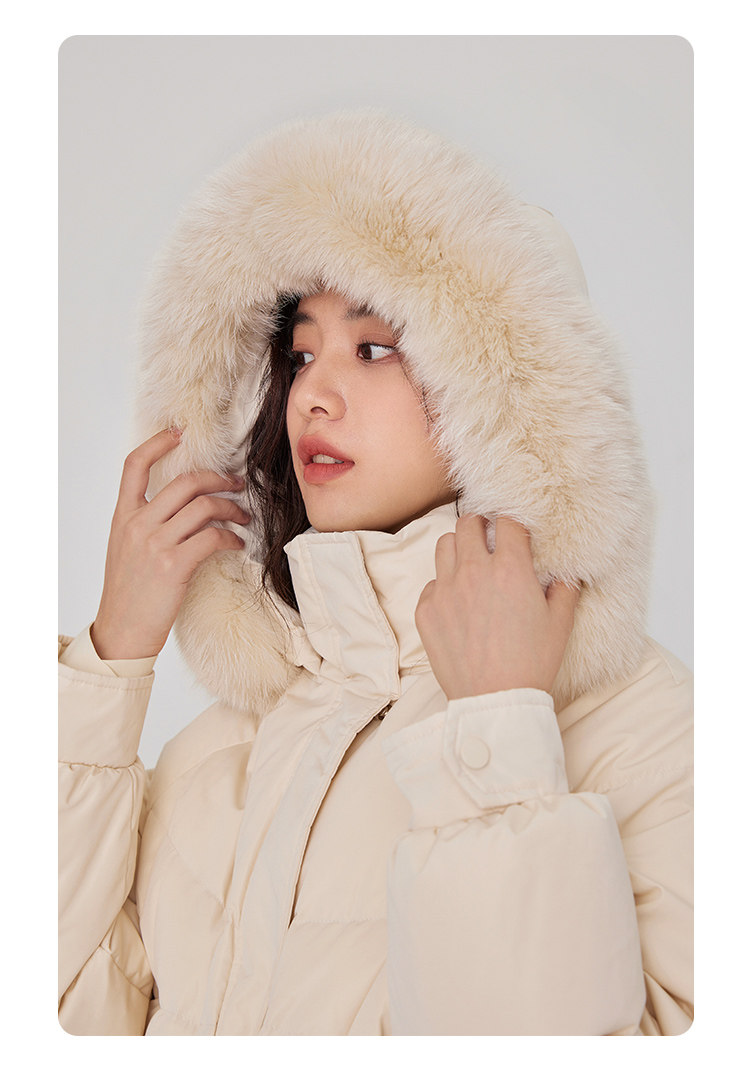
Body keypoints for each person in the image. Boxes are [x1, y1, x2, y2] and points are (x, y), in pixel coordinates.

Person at [58, 110, 693, 1036]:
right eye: (300, 353)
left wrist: (499, 739)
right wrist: (111, 660)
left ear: (501, 393)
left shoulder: (650, 732)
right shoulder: (212, 756)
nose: (311, 394)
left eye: (375, 347)